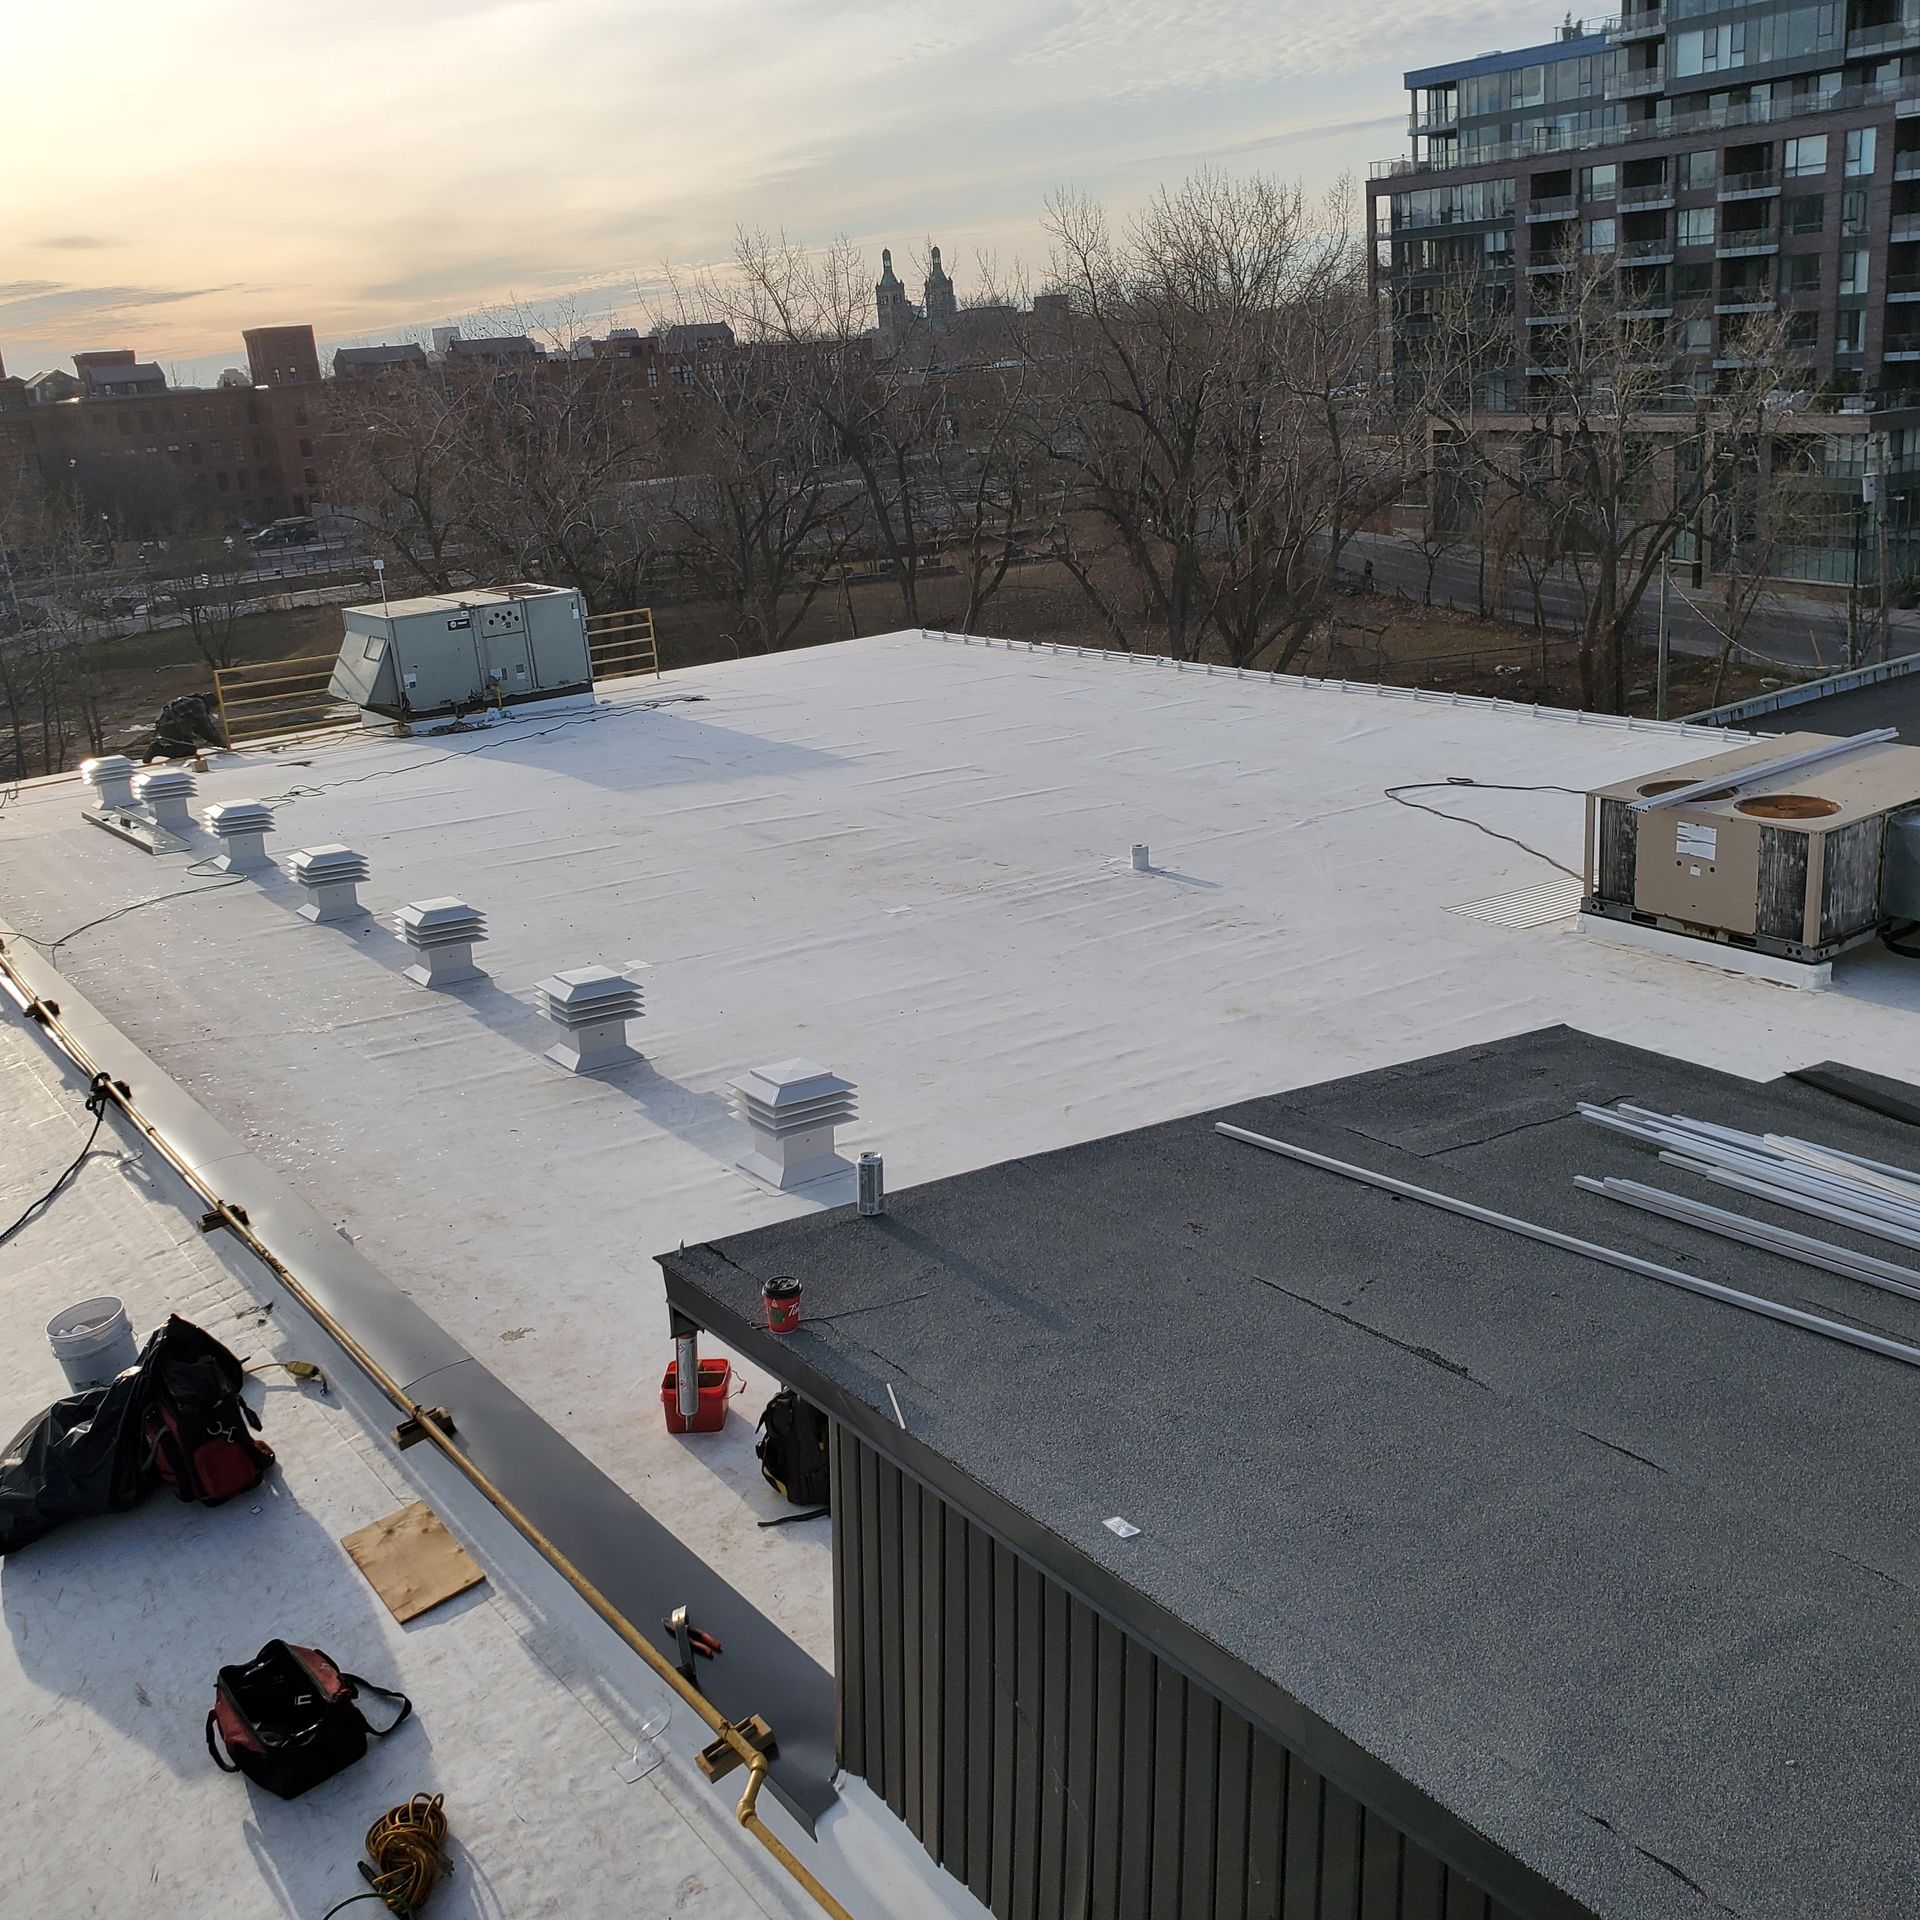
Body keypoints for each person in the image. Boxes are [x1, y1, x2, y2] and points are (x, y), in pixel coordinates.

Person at [138, 692, 227, 763]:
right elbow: (205, 727)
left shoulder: (192, 701)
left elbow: (198, 728)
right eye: (213, 709)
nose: (211, 711)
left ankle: (157, 749)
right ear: (210, 705)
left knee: (188, 748)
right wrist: (218, 741)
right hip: (171, 726)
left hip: (167, 724)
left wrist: (213, 740)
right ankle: (157, 749)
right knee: (188, 751)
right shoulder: (198, 704)